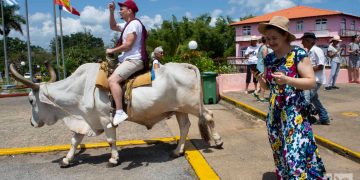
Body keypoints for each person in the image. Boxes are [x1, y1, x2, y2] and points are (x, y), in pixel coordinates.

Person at [257, 16, 326, 179]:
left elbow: (310, 82)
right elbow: (269, 86)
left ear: (285, 36)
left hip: (294, 114)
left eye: (274, 38)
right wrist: (261, 81)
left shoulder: (298, 54)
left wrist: (288, 80)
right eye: (268, 39)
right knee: (279, 152)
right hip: (274, 114)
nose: (270, 42)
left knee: (296, 155)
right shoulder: (269, 58)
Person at [106, 0, 148, 128]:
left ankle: (119, 112)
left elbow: (128, 45)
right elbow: (113, 26)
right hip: (127, 60)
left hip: (134, 60)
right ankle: (114, 111)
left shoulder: (134, 24)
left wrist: (112, 50)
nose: (120, 10)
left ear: (129, 11)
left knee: (112, 80)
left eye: (122, 8)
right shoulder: (127, 25)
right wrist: (111, 12)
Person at [301, 32, 330, 125]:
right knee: (314, 100)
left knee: (306, 100)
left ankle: (308, 118)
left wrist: (306, 69)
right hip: (311, 79)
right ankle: (324, 117)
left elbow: (320, 66)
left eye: (303, 41)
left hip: (315, 80)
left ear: (309, 41)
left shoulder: (316, 50)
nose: (302, 43)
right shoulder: (309, 51)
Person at [255, 36, 270, 102]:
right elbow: (265, 59)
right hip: (262, 66)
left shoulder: (261, 47)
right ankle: (262, 97)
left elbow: (257, 56)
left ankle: (257, 92)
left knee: (261, 80)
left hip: (259, 65)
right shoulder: (265, 48)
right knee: (263, 80)